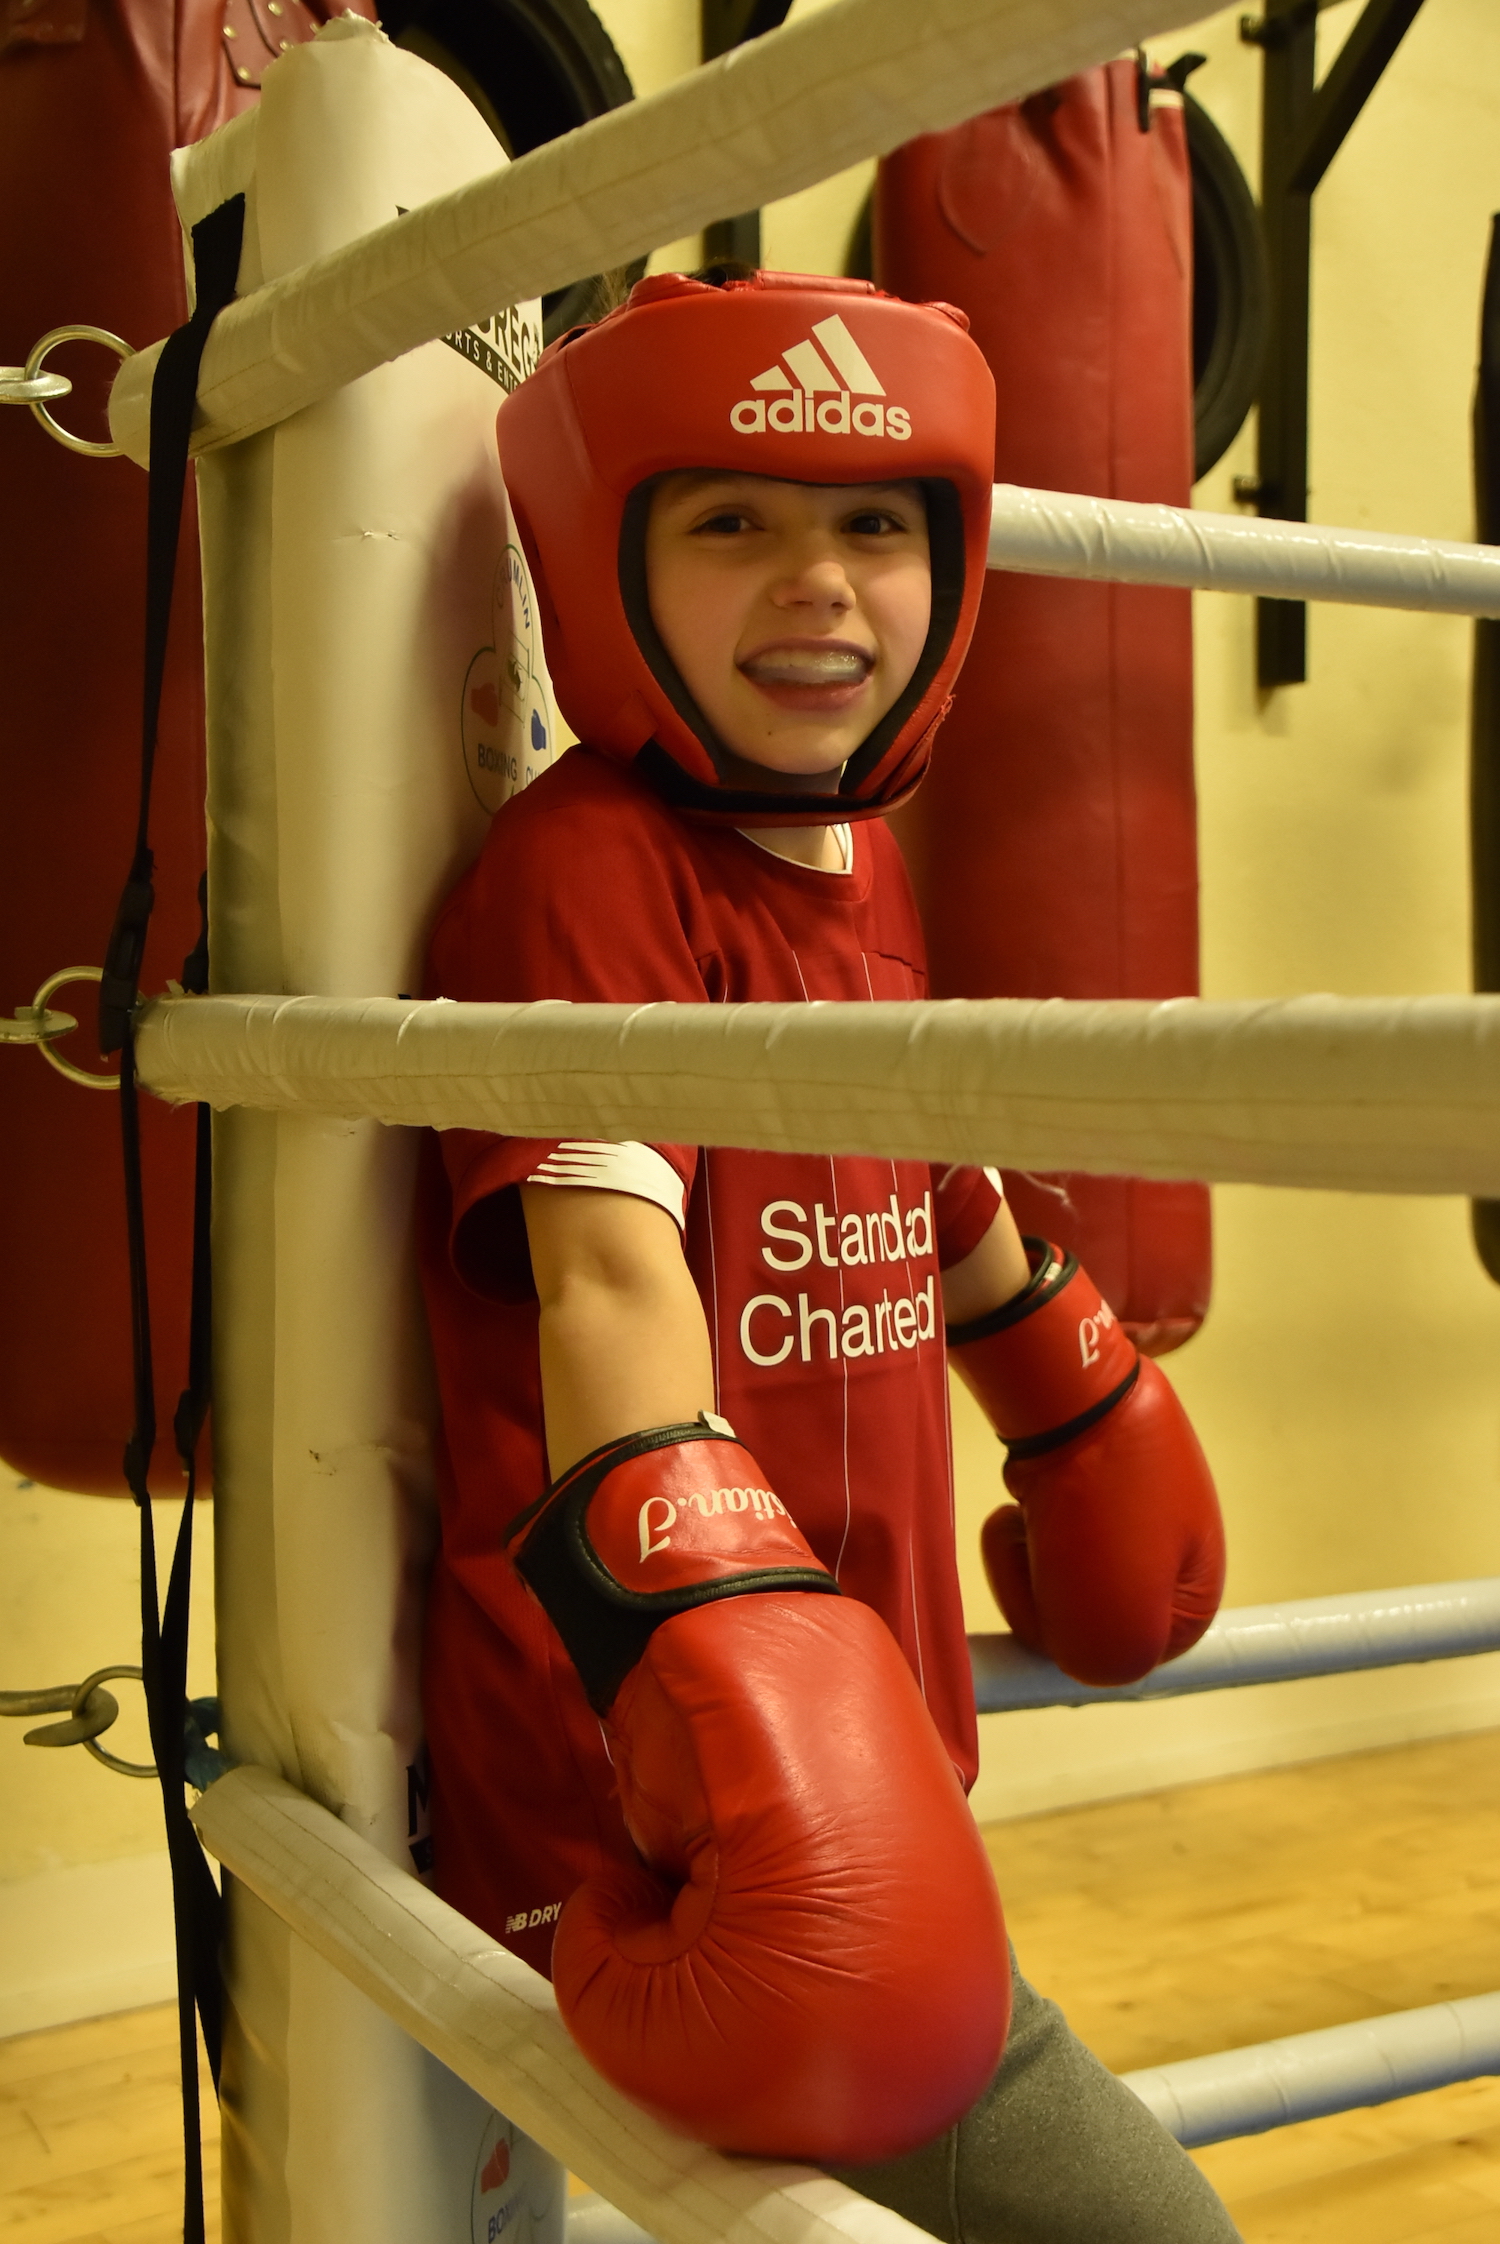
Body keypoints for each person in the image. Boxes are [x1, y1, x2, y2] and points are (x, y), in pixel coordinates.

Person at [418, 268, 1234, 2241]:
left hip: (860, 1769)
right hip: (665, 1795)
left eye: (875, 522)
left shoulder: (865, 859)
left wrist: (1068, 1387)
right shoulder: (587, 870)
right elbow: (608, 1275)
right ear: (603, 562)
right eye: (732, 522)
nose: (820, 585)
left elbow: (903, 1153)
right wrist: (734, 1710)